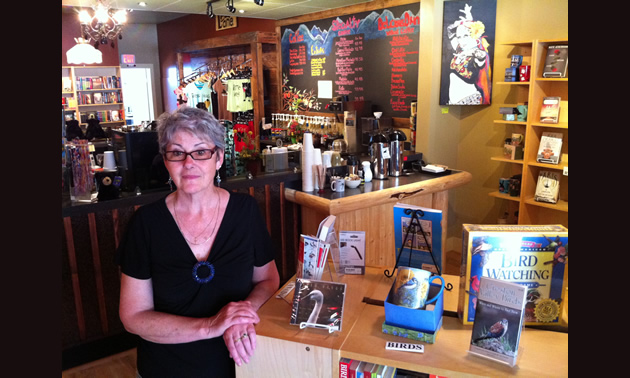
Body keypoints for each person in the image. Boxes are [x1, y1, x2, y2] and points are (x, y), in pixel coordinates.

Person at [116, 106, 280, 377]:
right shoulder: (145, 224)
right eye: (177, 153)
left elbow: (268, 280)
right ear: (166, 161)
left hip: (242, 365)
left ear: (218, 158)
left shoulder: (245, 211)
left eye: (201, 152)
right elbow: (133, 317)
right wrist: (211, 325)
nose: (188, 163)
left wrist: (243, 313)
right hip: (166, 369)